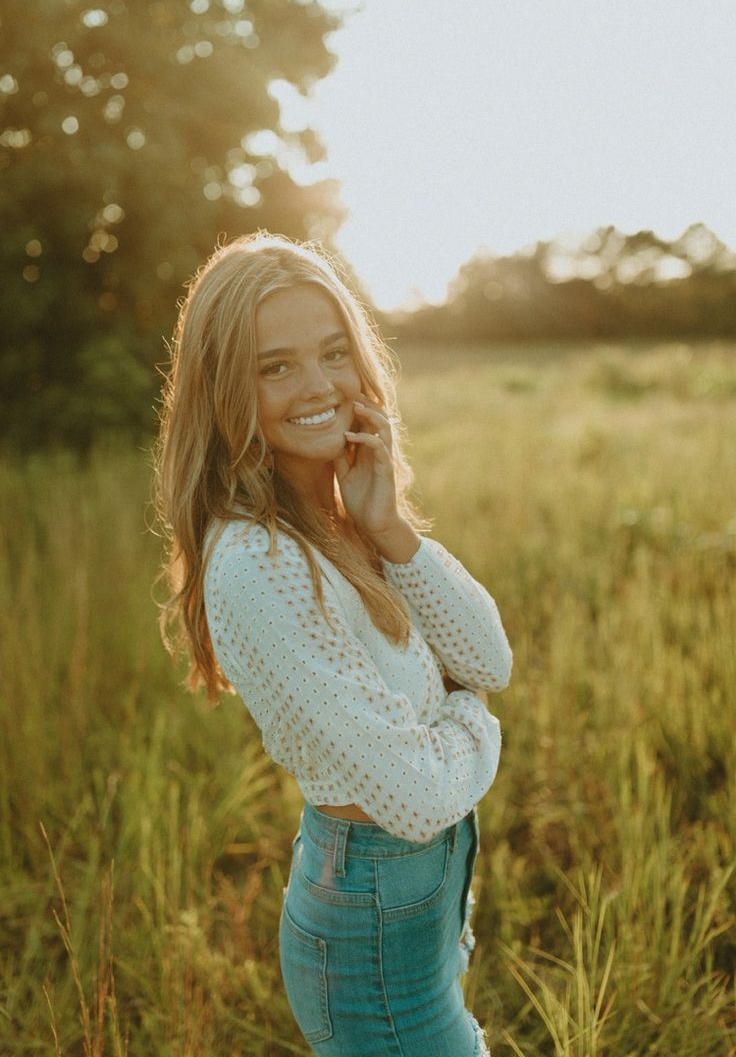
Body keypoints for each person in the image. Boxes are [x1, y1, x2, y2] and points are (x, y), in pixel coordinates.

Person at [154, 231, 512, 1056]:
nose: (317, 387)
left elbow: (489, 658)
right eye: (274, 366)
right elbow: (419, 796)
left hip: (416, 909)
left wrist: (391, 528)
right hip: (374, 925)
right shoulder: (258, 562)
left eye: (332, 353)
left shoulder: (341, 523)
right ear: (224, 391)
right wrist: (478, 722)